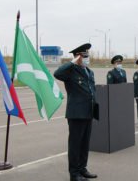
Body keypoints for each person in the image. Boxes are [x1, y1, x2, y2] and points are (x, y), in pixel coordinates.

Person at [54, 43, 98, 181]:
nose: (87, 58)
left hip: (88, 112)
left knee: (85, 143)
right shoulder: (71, 71)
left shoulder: (89, 72)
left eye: (87, 55)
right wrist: (72, 63)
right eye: (84, 56)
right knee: (75, 144)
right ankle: (74, 174)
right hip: (76, 113)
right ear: (78, 57)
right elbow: (57, 73)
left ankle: (82, 168)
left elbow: (92, 92)